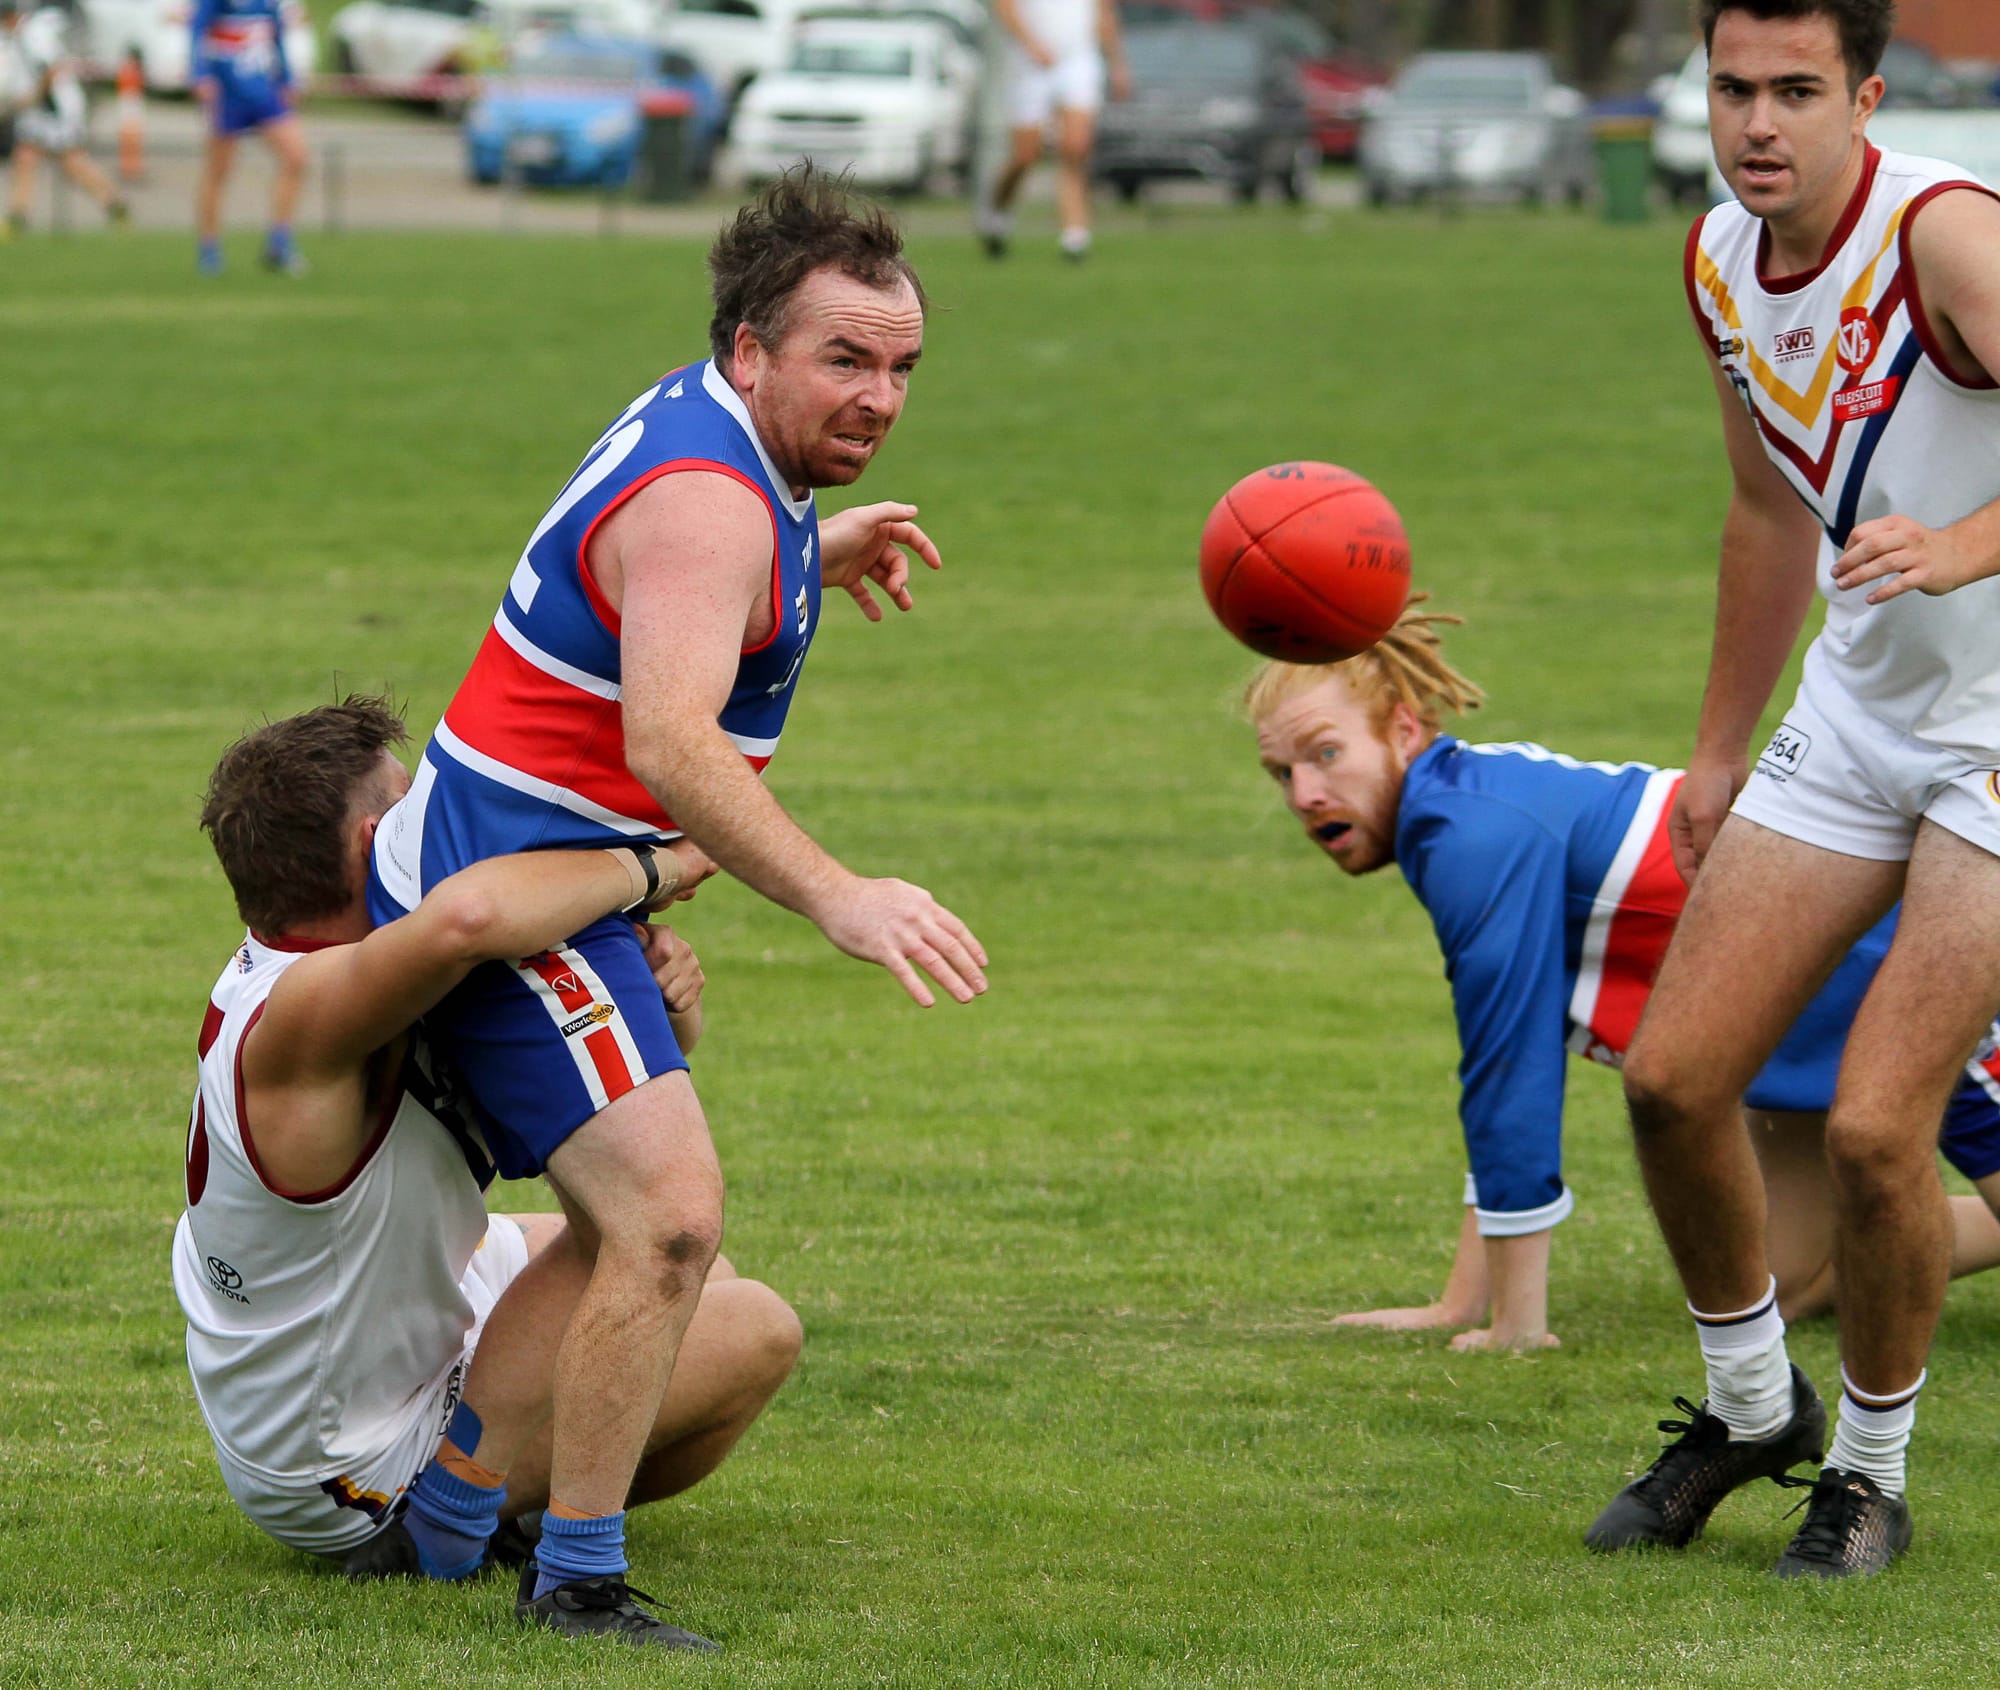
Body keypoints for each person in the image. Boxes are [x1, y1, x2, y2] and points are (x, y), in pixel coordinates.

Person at [365, 166, 987, 1644]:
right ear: (752, 349)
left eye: (901, 366)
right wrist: (839, 894)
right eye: (846, 360)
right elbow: (670, 743)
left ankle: (447, 1531)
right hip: (521, 892)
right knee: (667, 1221)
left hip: (536, 869)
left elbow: (658, 573)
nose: (881, 396)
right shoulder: (714, 504)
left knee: (620, 1224)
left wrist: (807, 552)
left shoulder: (729, 455)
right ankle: (573, 1580)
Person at [1587, 0, 2000, 1579]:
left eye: (1796, 91)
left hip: (1996, 739)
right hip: (1862, 707)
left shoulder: (1945, 238)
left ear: (1867, 96)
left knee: (1880, 1128)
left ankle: (1872, 1475)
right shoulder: (1712, 261)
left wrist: (1961, 548)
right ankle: (1753, 1406)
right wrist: (1716, 741)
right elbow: (1768, 513)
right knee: (1672, 1079)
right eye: (1732, 88)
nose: (1758, 122)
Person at [177, 697, 800, 1651]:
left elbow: (606, 1140)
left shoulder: (368, 973)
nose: (444, 813)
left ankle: (493, 1498)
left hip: (368, 1338)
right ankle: (452, 1519)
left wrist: (666, 1010)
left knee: (677, 1277)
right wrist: (657, 865)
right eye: (415, 801)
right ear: (374, 841)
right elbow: (469, 915)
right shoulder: (309, 1013)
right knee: (753, 1327)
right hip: (340, 1462)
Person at [1247, 603, 2000, 1355]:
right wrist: (1460, 1303)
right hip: (1795, 1019)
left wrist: (1515, 1323)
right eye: (1283, 772)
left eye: (1325, 755)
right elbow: (1503, 1066)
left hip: (1888, 956)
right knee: (1782, 1281)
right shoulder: (1461, 810)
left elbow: (1510, 1070)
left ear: (1404, 732)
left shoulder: (1468, 834)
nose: (1304, 794)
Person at [976, 0, 1129, 262]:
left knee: (1075, 147)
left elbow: (1104, 12)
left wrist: (1117, 63)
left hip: (1078, 59)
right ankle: (995, 215)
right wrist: (1030, 43)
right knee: (1026, 155)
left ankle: (1075, 236)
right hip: (1031, 62)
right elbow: (1005, 7)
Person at [190, 0, 307, 275]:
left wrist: (287, 79)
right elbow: (196, 29)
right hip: (227, 93)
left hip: (263, 89)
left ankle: (279, 243)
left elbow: (276, 34)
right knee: (219, 171)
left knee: (296, 156)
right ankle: (209, 250)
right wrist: (200, 75)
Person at [2, 0, 128, 239]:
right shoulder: (13, 39)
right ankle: (18, 217)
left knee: (73, 163)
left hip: (56, 109)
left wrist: (32, 97)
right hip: (37, 111)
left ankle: (115, 204)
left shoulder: (34, 34)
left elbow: (52, 70)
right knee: (25, 158)